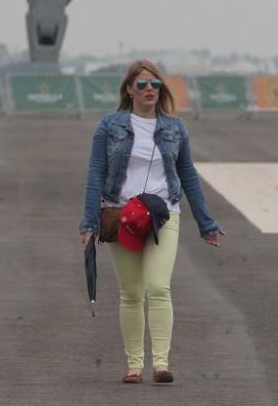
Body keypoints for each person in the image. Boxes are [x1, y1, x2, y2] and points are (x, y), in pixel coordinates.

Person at [79, 59, 224, 385]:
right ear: (129, 89)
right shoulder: (108, 126)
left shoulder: (175, 128)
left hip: (164, 215)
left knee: (158, 287)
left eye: (155, 84)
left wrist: (207, 224)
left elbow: (188, 175)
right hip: (120, 216)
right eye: (142, 84)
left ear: (162, 89)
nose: (149, 89)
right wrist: (88, 223)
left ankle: (161, 363)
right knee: (130, 293)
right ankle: (134, 366)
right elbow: (95, 174)